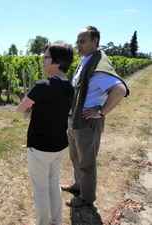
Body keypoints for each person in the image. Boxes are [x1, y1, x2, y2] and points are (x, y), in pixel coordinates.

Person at [62, 26, 130, 208]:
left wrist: (101, 112)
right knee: (76, 158)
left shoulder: (99, 67)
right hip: (75, 119)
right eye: (77, 41)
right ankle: (78, 186)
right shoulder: (87, 60)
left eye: (82, 41)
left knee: (87, 162)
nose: (78, 45)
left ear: (95, 41)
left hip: (87, 123)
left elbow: (120, 90)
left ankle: (86, 198)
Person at [17, 41, 74, 225]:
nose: (43, 60)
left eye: (46, 57)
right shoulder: (69, 87)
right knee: (54, 183)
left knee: (40, 189)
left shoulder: (42, 85)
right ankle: (56, 221)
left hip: (40, 146)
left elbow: (21, 109)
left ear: (56, 62)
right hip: (59, 145)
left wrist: (27, 100)